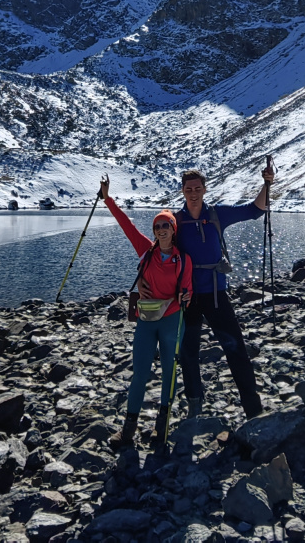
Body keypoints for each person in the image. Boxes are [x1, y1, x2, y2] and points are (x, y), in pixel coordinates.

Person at [98, 174, 193, 449]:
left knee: (168, 372)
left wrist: (186, 296)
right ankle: (128, 429)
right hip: (147, 319)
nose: (161, 229)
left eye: (166, 225)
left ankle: (160, 428)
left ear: (174, 229)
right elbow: (125, 224)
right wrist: (108, 199)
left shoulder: (182, 259)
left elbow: (188, 291)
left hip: (173, 319)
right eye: (157, 226)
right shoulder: (145, 250)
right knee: (139, 372)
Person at [175, 159, 272, 421]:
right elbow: (159, 252)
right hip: (188, 297)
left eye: (197, 188)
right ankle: (195, 403)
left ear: (205, 189)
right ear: (183, 191)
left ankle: (253, 409)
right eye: (188, 189)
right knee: (188, 352)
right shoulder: (175, 222)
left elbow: (255, 209)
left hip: (216, 294)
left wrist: (266, 183)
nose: (193, 193)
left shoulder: (217, 214)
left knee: (236, 348)